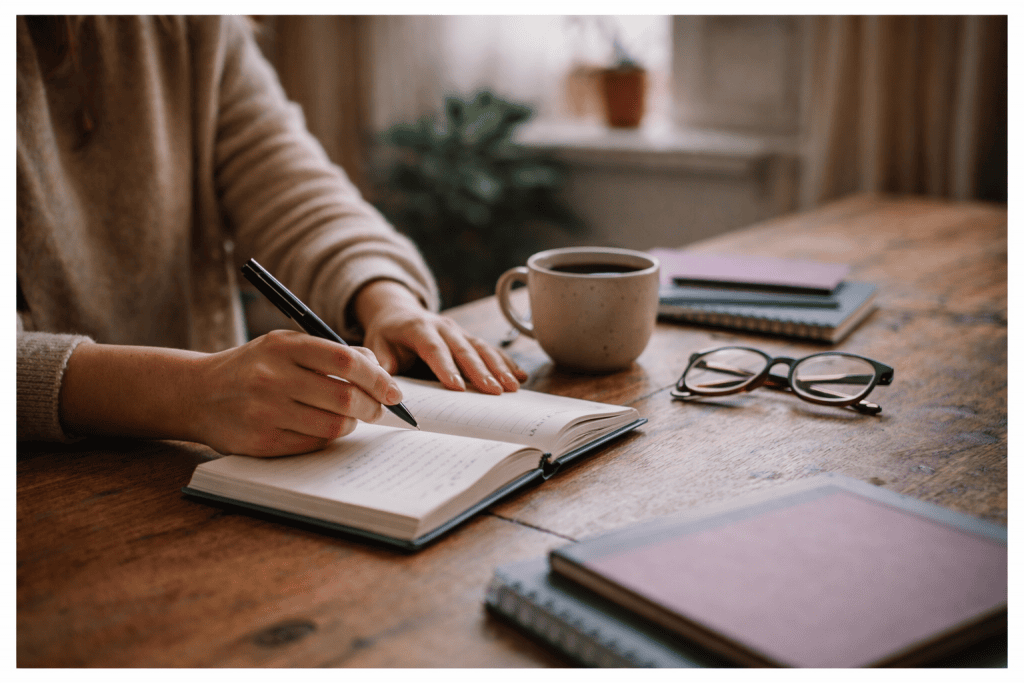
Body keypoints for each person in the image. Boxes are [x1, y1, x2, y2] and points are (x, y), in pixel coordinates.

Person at [16, 16, 528, 457]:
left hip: (203, 462)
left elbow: (291, 187)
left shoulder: (188, 21)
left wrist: (386, 299)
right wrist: (186, 393)